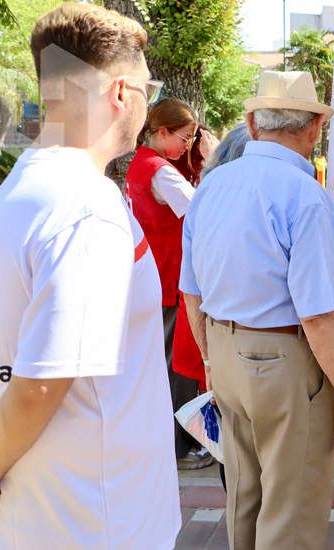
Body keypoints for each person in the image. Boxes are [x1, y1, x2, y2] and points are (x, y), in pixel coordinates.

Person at [0, 3, 180, 546]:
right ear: (121, 93)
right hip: (99, 516)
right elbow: (40, 381)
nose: (148, 103)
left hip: (46, 505)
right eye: (149, 88)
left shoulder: (13, 193)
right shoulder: (85, 208)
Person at [179, 70, 334, 549]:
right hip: (282, 359)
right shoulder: (305, 195)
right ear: (313, 129)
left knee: (245, 494)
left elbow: (191, 293)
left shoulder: (211, 187)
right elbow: (319, 314)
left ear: (253, 125)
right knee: (291, 505)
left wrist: (209, 360)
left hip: (225, 347)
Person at [125, 98, 212, 469]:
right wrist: (211, 163)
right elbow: (205, 211)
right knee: (178, 367)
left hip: (156, 277)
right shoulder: (160, 171)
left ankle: (172, 444)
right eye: (185, 137)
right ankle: (179, 447)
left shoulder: (140, 165)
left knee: (167, 365)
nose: (188, 145)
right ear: (162, 132)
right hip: (168, 279)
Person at [174, 124, 250, 491]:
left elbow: (192, 288)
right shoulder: (237, 204)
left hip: (209, 332)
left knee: (229, 440)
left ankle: (239, 513)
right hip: (223, 334)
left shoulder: (205, 200)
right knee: (233, 437)